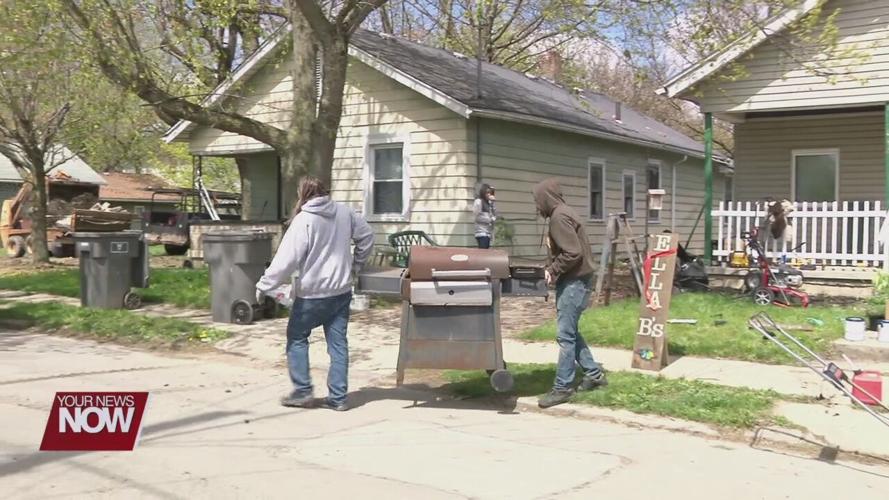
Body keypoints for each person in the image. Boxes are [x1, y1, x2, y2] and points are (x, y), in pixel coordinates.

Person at [256, 177, 374, 412]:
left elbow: (285, 261)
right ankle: (338, 398)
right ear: (324, 191)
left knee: (297, 338)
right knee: (338, 344)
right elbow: (367, 237)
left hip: (312, 294)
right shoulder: (345, 212)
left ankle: (303, 391)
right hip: (341, 291)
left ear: (302, 194)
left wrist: (265, 285)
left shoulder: (304, 221)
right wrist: (355, 267)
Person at [532, 178, 607, 409]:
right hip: (578, 280)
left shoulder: (558, 218)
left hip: (574, 282)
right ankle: (594, 375)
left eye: (537, 200)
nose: (537, 206)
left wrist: (552, 271)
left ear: (546, 198)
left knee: (565, 337)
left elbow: (572, 252)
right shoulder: (565, 213)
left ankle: (562, 387)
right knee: (571, 332)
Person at [473, 183, 497, 248]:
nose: (489, 194)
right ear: (483, 192)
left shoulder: (489, 202)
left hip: (488, 232)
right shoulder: (479, 201)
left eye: (490, 193)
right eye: (487, 192)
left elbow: (494, 214)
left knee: (486, 253)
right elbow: (477, 217)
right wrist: (489, 219)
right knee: (482, 252)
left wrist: (493, 203)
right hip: (481, 232)